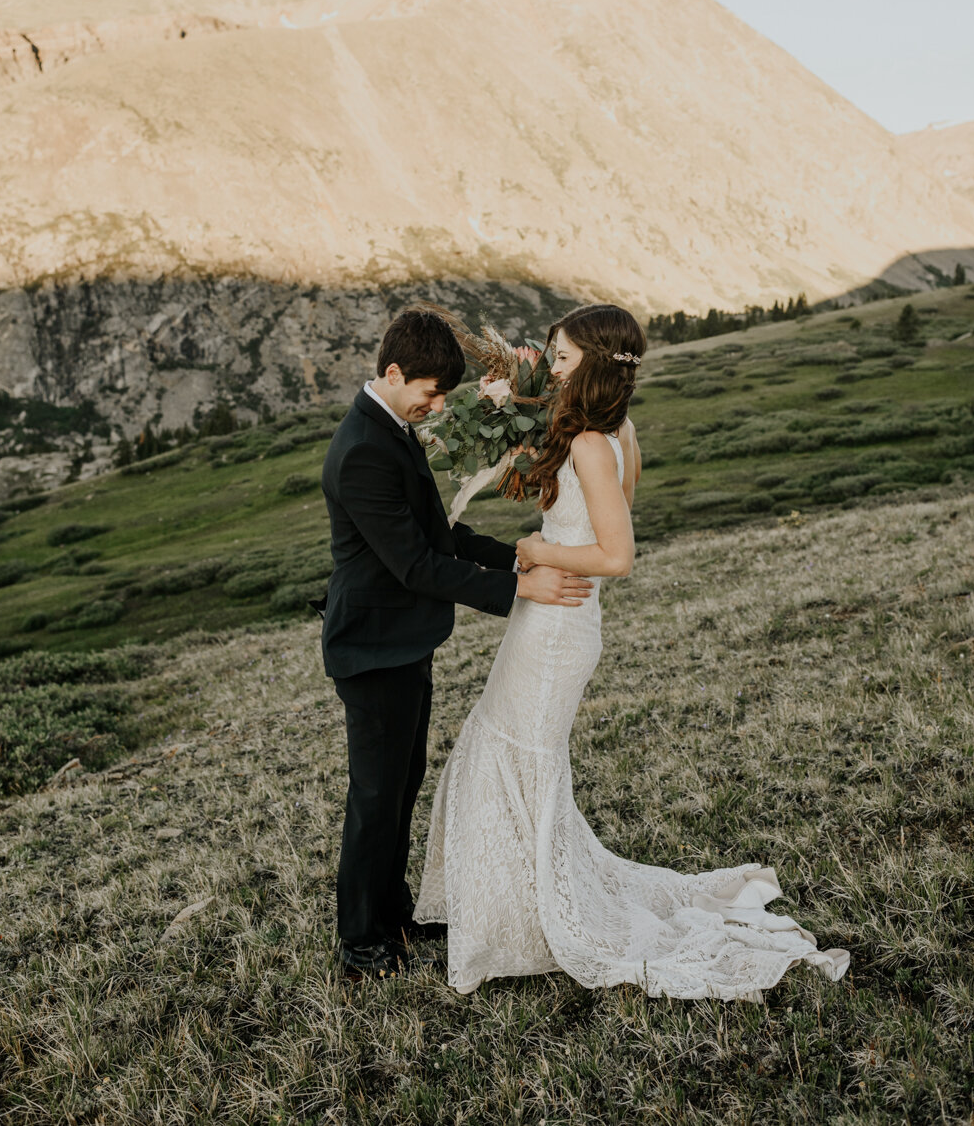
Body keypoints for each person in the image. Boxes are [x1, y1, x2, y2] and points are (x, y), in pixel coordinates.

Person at [414, 302, 850, 1000]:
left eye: (559, 356)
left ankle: (529, 922)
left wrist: (533, 548)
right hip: (562, 624)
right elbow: (590, 508)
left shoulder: (590, 441)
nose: (549, 366)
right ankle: (515, 911)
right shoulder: (614, 430)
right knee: (510, 750)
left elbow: (616, 554)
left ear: (590, 359)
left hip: (556, 627)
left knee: (513, 753)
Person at [318, 307, 594, 980]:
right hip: (372, 647)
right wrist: (517, 593)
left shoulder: (390, 430)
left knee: (400, 787)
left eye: (443, 394)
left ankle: (393, 917)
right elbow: (414, 565)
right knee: (376, 798)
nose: (436, 406)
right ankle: (361, 943)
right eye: (430, 392)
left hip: (402, 642)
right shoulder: (361, 451)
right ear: (391, 372)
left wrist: (516, 562)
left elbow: (439, 536)